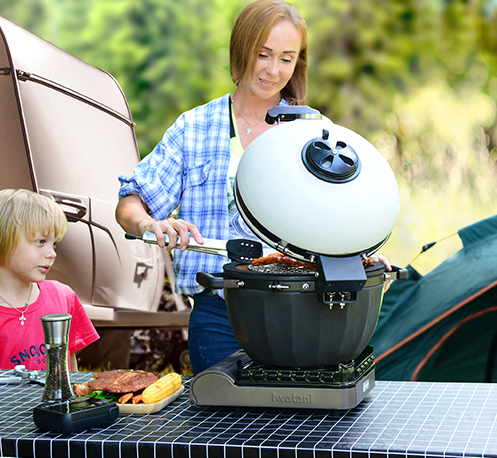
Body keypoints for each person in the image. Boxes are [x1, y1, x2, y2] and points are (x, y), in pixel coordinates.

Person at [116, 0, 390, 375]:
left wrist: (361, 256)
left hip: (305, 312)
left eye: (286, 58)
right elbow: (130, 204)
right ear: (241, 49)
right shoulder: (194, 128)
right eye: (263, 54)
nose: (273, 70)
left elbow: (344, 221)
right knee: (221, 413)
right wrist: (151, 224)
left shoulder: (316, 134)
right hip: (220, 313)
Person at [0, 189, 99, 371]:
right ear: (4, 238)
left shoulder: (63, 296)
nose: (52, 253)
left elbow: (70, 365)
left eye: (54, 244)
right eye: (41, 241)